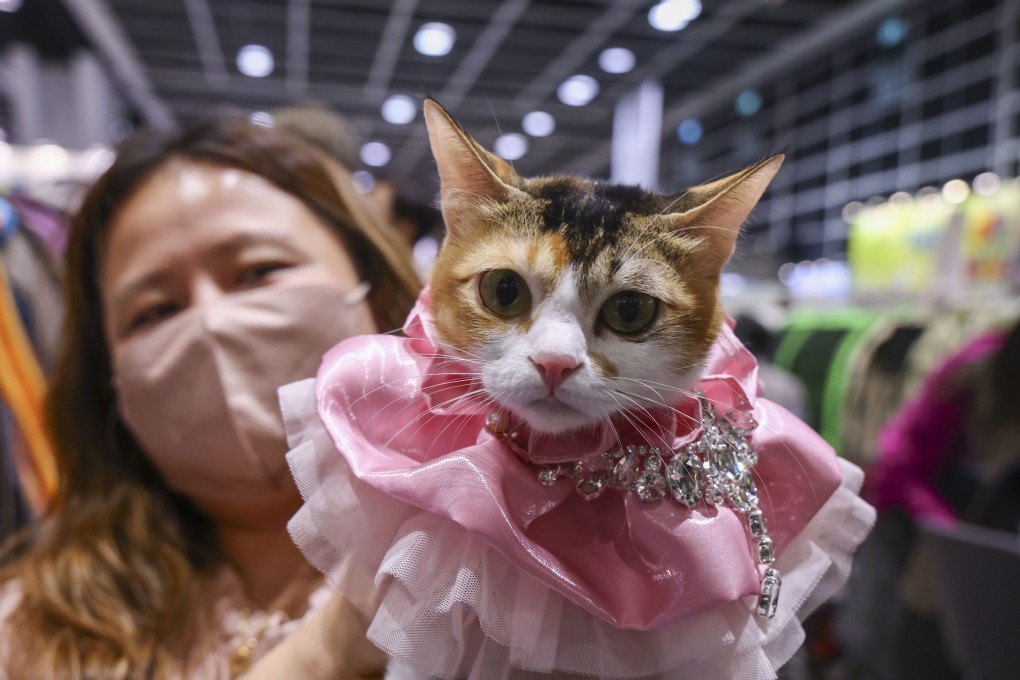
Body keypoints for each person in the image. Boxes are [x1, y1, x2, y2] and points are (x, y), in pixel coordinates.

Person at [0, 116, 421, 679]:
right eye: (155, 310)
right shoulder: (29, 631)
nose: (211, 324)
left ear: (375, 290)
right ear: (110, 382)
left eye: (258, 271)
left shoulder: (506, 572)